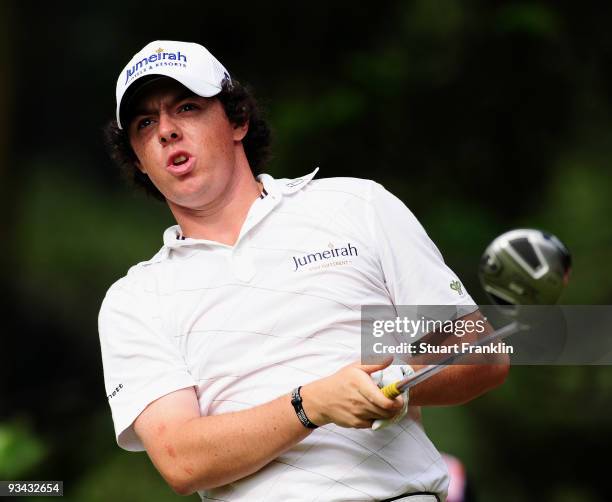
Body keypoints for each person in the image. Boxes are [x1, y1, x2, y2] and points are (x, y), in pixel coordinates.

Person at [98, 40, 509, 502]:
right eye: (145, 123)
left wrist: (395, 381)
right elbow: (182, 459)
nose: (167, 131)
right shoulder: (136, 299)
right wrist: (311, 404)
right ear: (137, 158)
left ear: (238, 121)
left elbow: (480, 353)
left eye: (187, 107)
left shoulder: (356, 207)